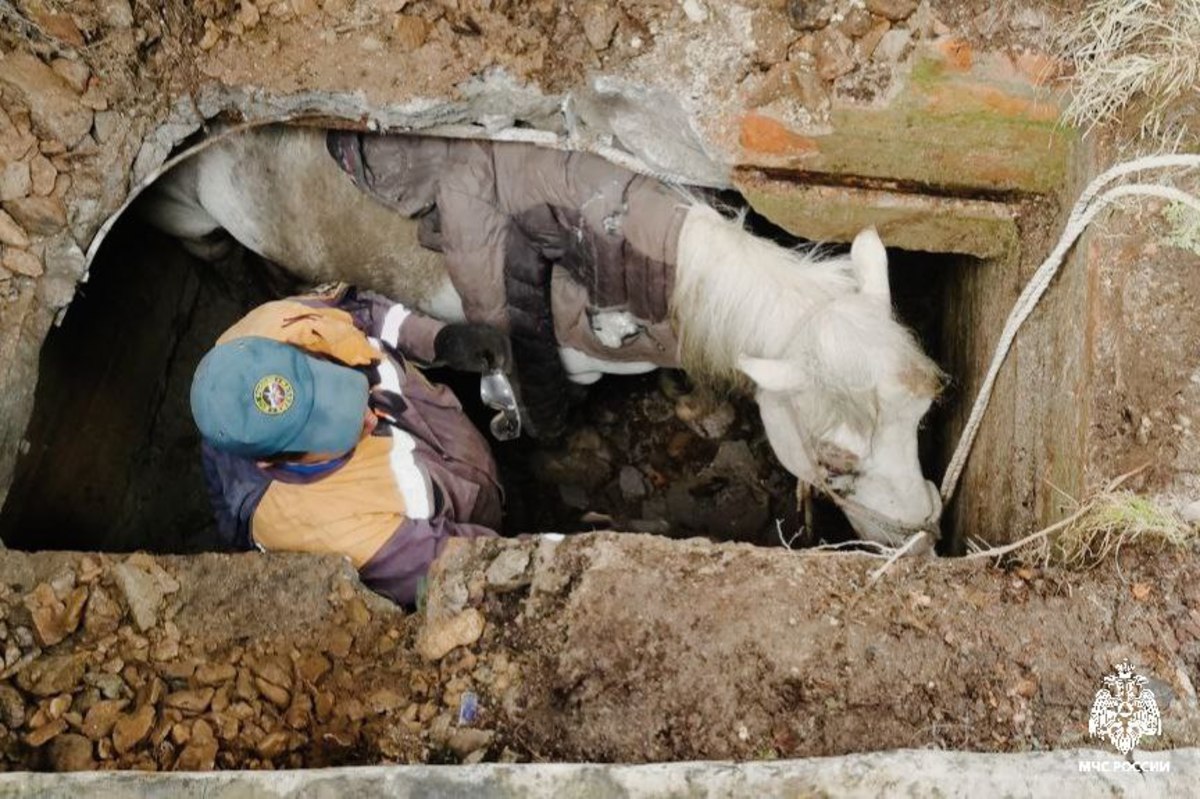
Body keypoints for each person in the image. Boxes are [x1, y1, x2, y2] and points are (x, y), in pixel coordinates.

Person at [190, 283, 511, 606]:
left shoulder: (277, 325)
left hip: (461, 450)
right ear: (273, 464)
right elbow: (466, 570)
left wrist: (437, 340)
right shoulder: (330, 529)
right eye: (339, 432)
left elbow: (364, 313)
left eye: (343, 389)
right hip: (472, 518)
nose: (370, 417)